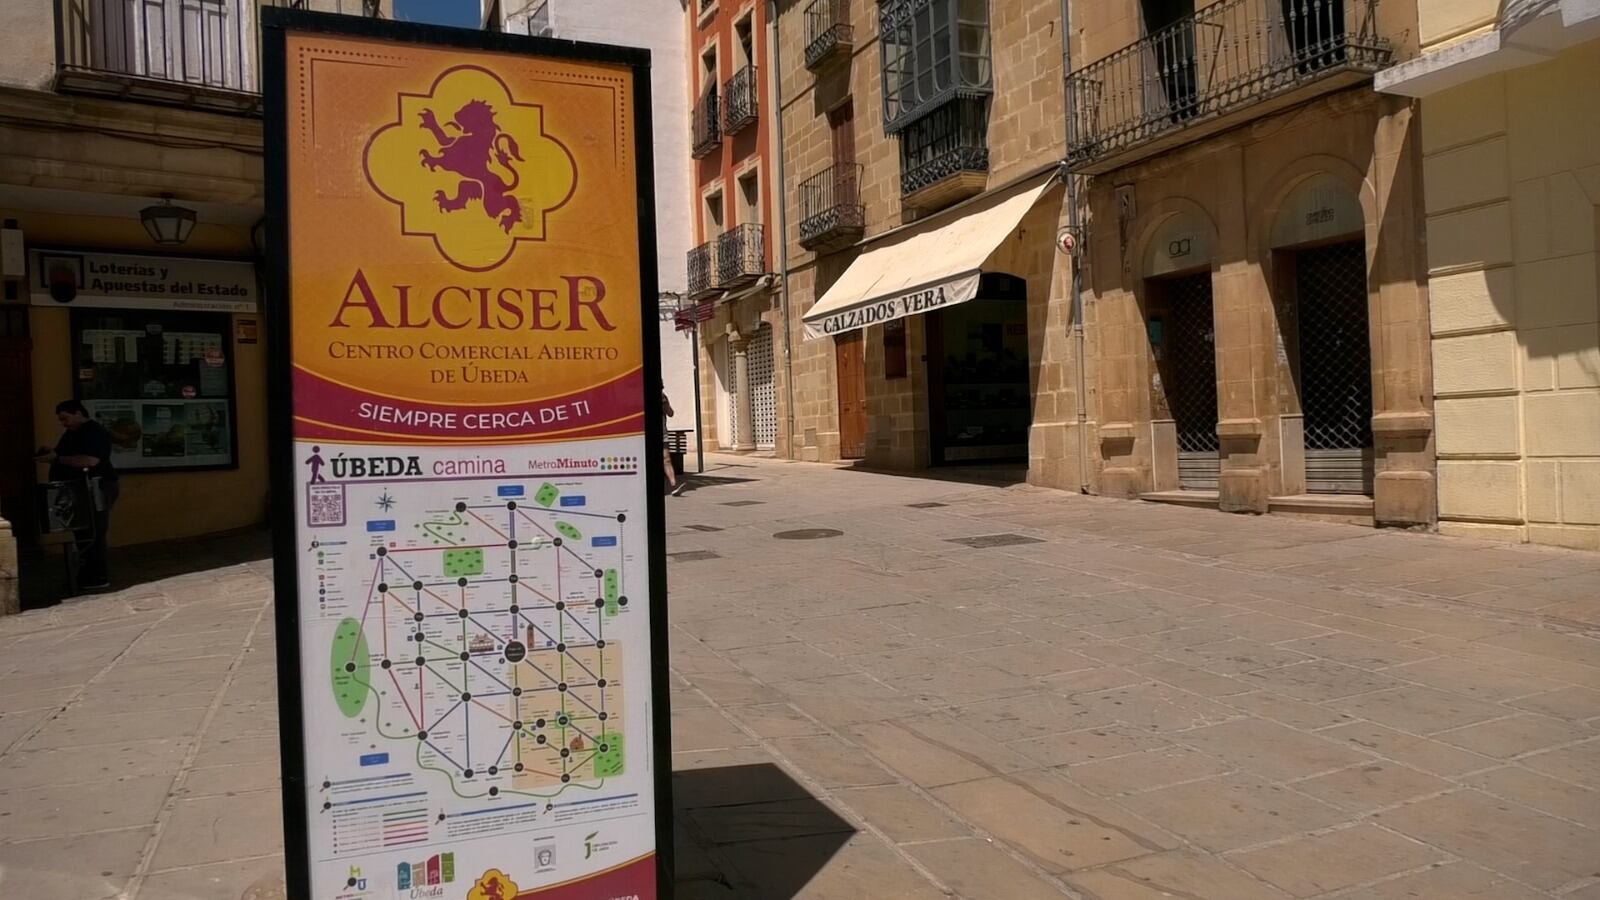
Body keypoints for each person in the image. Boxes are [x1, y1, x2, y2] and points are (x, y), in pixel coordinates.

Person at [35, 399, 119, 590]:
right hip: (79, 489)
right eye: (61, 420)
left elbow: (90, 460)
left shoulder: (94, 432)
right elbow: (62, 453)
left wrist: (57, 458)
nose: (64, 423)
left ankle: (97, 576)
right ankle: (86, 574)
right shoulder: (72, 433)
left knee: (94, 532)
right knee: (83, 532)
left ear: (79, 414)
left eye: (66, 418)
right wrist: (51, 453)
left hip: (97, 487)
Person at [662, 389, 686, 497]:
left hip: (663, 433)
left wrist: (665, 403)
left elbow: (670, 413)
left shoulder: (663, 397)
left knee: (667, 459)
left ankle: (674, 486)